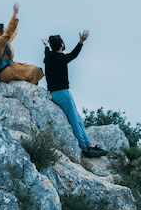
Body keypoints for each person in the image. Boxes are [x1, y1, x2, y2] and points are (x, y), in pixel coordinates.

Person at [42, 30, 107, 158]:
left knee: (78, 119)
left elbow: (47, 51)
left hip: (54, 94)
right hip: (64, 94)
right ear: (61, 45)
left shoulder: (48, 57)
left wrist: (46, 45)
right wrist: (81, 42)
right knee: (75, 120)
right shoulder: (61, 58)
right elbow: (73, 54)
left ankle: (90, 144)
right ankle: (86, 148)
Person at [0, 2, 44, 85]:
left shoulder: (2, 42)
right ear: (1, 30)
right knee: (33, 71)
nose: (6, 29)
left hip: (9, 69)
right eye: (4, 28)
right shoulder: (0, 41)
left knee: (34, 70)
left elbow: (11, 33)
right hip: (7, 71)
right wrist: (14, 15)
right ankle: (31, 91)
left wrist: (15, 23)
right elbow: (9, 33)